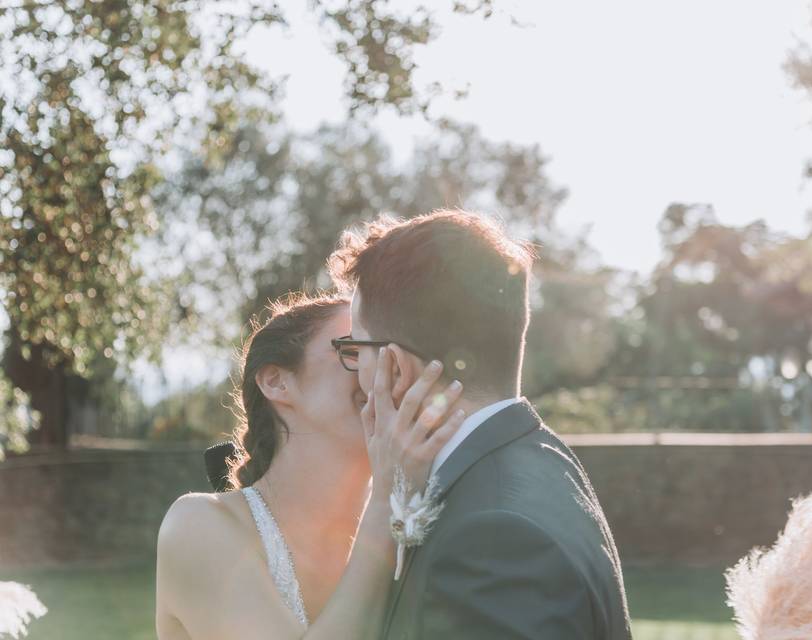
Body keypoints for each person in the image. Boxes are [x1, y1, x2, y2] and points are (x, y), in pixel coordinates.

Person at [328, 209, 633, 639]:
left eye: (357, 349)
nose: (356, 373)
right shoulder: (547, 461)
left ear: (394, 367)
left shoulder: (491, 541)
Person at [155, 292, 466, 639]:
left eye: (390, 354)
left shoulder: (416, 523)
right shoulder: (196, 527)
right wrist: (386, 500)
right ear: (276, 381)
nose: (380, 374)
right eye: (354, 350)